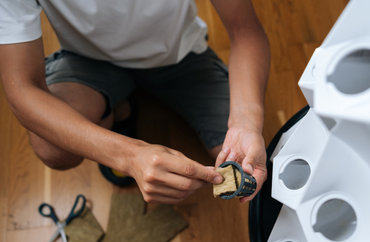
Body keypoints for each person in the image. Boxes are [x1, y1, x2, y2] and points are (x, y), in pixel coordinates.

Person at [0, 0, 270, 204]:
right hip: (89, 60)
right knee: (52, 148)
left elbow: (245, 29)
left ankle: (117, 106)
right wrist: (129, 156)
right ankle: (119, 108)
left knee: (242, 154)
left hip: (180, 55)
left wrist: (246, 123)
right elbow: (23, 88)